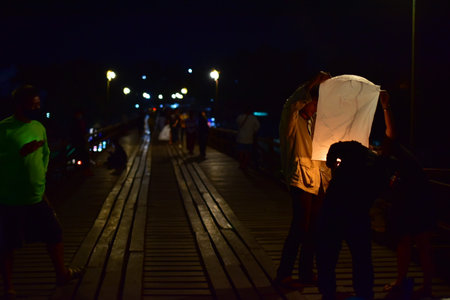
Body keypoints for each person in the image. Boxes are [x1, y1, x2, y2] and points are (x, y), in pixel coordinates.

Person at [0, 85, 82, 298]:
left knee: (54, 233)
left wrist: (42, 180)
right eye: (33, 105)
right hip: (9, 198)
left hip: (36, 195)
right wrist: (18, 155)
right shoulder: (4, 128)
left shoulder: (38, 127)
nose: (37, 108)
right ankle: (8, 286)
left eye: (39, 104)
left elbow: (44, 154)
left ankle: (61, 273)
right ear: (20, 105)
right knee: (8, 243)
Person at [274, 71, 332, 290]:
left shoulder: (315, 123)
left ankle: (307, 273)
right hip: (300, 179)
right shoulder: (291, 121)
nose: (316, 107)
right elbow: (292, 102)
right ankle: (284, 274)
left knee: (314, 229)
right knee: (299, 227)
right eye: (313, 102)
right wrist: (314, 81)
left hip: (318, 179)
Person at [378, 92, 436, 300]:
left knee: (418, 243)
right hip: (412, 198)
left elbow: (391, 131)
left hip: (416, 198)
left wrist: (386, 106)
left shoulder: (392, 148)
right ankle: (404, 281)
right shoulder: (386, 159)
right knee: (408, 242)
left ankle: (423, 285)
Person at [316, 140, 388, 300]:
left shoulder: (355, 149)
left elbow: (335, 147)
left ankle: (327, 290)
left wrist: (332, 165)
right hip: (358, 212)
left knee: (327, 252)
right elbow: (377, 194)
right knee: (361, 256)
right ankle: (364, 292)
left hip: (334, 207)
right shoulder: (381, 167)